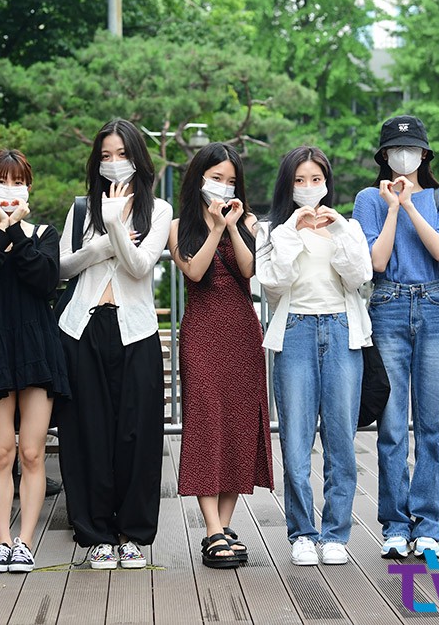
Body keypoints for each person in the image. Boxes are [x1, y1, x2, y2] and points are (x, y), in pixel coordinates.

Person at [57, 119, 173, 570]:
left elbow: (142, 266)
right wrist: (105, 242)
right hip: (81, 329)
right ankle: (95, 534)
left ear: (138, 159)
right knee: (86, 432)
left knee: (137, 434)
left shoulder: (158, 210)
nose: (113, 163)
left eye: (122, 154)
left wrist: (116, 227)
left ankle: (132, 534)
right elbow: (63, 267)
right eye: (105, 155)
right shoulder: (81, 208)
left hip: (136, 331)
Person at [0, 150, 71, 573]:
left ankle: (25, 542)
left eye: (17, 181)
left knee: (33, 453)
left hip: (38, 350)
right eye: (1, 181)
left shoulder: (43, 234)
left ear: (28, 188)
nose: (9, 189)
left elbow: (44, 281)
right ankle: (2, 541)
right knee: (1, 453)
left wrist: (16, 232)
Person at [256, 145, 372, 566]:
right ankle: (302, 533)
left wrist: (337, 230)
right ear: (288, 184)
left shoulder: (348, 227)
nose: (308, 187)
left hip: (341, 330)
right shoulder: (272, 231)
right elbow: (272, 283)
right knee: (296, 439)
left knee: (341, 439)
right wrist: (292, 228)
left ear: (327, 183)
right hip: (295, 331)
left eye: (316, 179)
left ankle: (336, 533)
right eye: (300, 180)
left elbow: (359, 277)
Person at [352, 115, 439, 560]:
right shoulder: (367, 199)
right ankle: (395, 524)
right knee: (392, 427)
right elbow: (375, 262)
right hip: (388, 304)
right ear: (384, 155)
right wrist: (393, 206)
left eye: (411, 148)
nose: (404, 155)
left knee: (431, 425)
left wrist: (410, 204)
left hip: (435, 307)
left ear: (424, 154)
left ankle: (428, 524)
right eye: (396, 149)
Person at [169, 142, 273, 569]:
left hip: (242, 332)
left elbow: (249, 271)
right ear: (199, 179)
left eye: (231, 180)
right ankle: (212, 529)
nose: (224, 186)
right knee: (206, 425)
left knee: (238, 427)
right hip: (202, 332)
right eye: (216, 178)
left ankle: (222, 528)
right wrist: (214, 228)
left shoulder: (247, 223)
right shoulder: (179, 227)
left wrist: (231, 226)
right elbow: (195, 271)